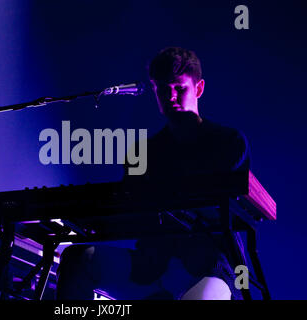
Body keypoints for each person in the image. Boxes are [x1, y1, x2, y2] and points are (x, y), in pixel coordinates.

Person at [55, 47, 250, 300]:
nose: (171, 97)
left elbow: (224, 211)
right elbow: (126, 212)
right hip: (151, 267)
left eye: (180, 89)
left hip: (208, 269)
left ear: (198, 89)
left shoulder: (229, 141)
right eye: (162, 90)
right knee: (77, 259)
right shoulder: (142, 152)